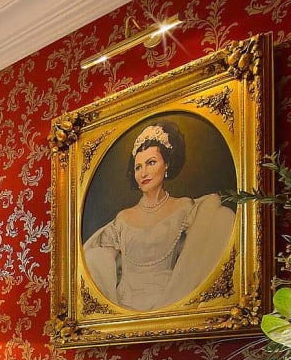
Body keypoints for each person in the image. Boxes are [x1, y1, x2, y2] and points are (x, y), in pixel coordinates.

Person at [82, 120, 236, 311]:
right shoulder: (123, 218)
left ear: (167, 165)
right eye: (138, 167)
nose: (143, 173)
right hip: (124, 306)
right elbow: (100, 260)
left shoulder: (184, 208)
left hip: (169, 300)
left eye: (151, 163)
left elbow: (198, 249)